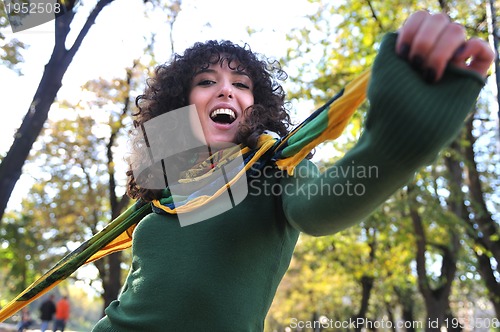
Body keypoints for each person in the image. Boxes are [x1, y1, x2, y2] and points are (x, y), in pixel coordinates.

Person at [91, 11, 494, 331]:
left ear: (256, 104)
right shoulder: (164, 194)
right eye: (206, 81)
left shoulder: (275, 167)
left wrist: (395, 143)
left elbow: (319, 211)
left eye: (241, 82)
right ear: (181, 104)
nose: (226, 89)